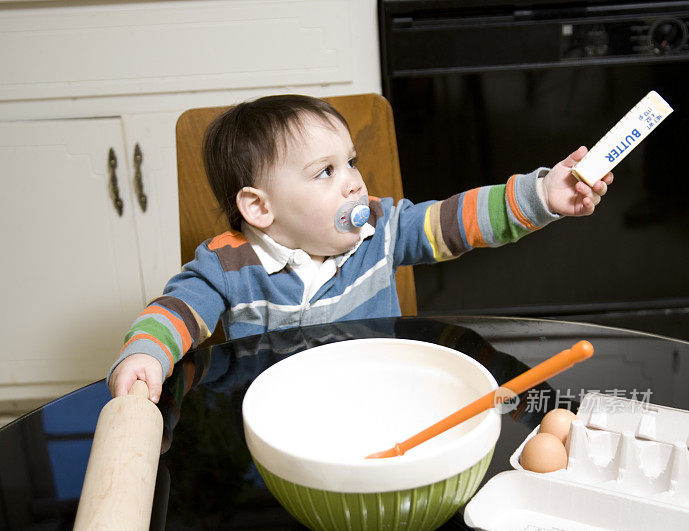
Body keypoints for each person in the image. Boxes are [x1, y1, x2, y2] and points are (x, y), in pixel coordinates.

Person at [108, 94, 612, 402]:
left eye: (351, 161)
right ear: (261, 209)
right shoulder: (228, 263)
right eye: (326, 172)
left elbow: (456, 221)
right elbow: (176, 309)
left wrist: (541, 195)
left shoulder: (380, 227)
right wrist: (147, 353)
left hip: (387, 397)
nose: (353, 182)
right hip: (283, 420)